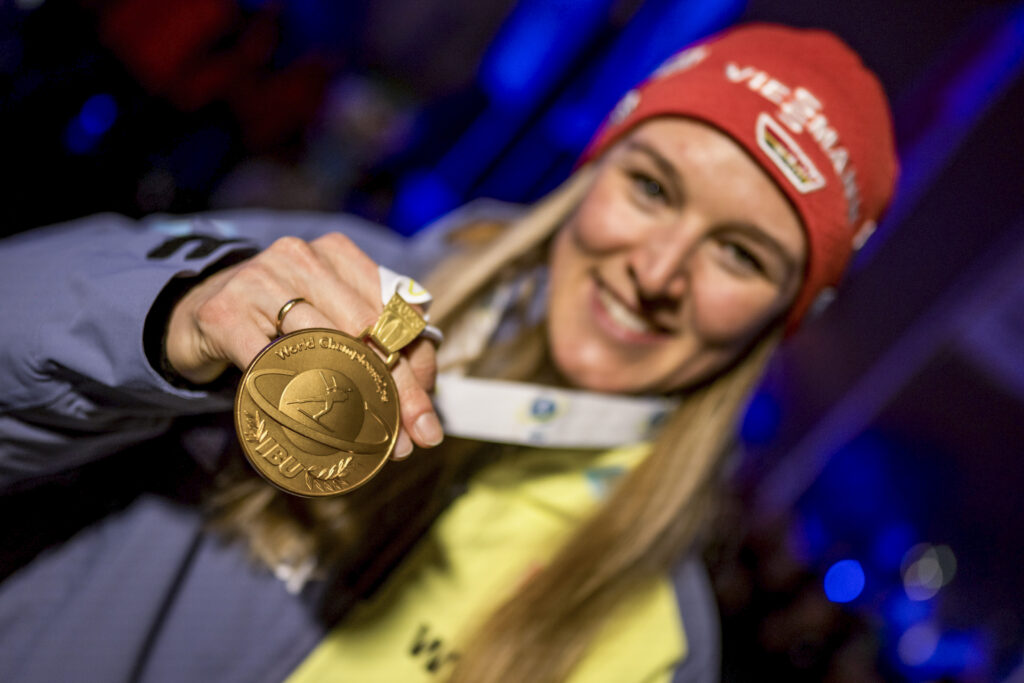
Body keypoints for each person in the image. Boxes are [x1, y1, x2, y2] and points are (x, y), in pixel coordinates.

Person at [0, 22, 897, 683]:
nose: (658, 270)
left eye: (741, 254)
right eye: (652, 186)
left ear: (782, 316)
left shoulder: (660, 642)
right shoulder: (317, 287)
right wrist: (170, 322)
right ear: (589, 178)